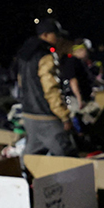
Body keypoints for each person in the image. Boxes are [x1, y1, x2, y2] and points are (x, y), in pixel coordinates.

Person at [15, 18, 75, 156]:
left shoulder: (24, 56)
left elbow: (20, 83)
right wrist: (64, 116)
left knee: (32, 156)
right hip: (46, 116)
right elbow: (51, 89)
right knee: (67, 155)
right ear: (46, 35)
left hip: (29, 113)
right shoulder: (45, 55)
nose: (59, 39)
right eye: (56, 34)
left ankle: (24, 176)